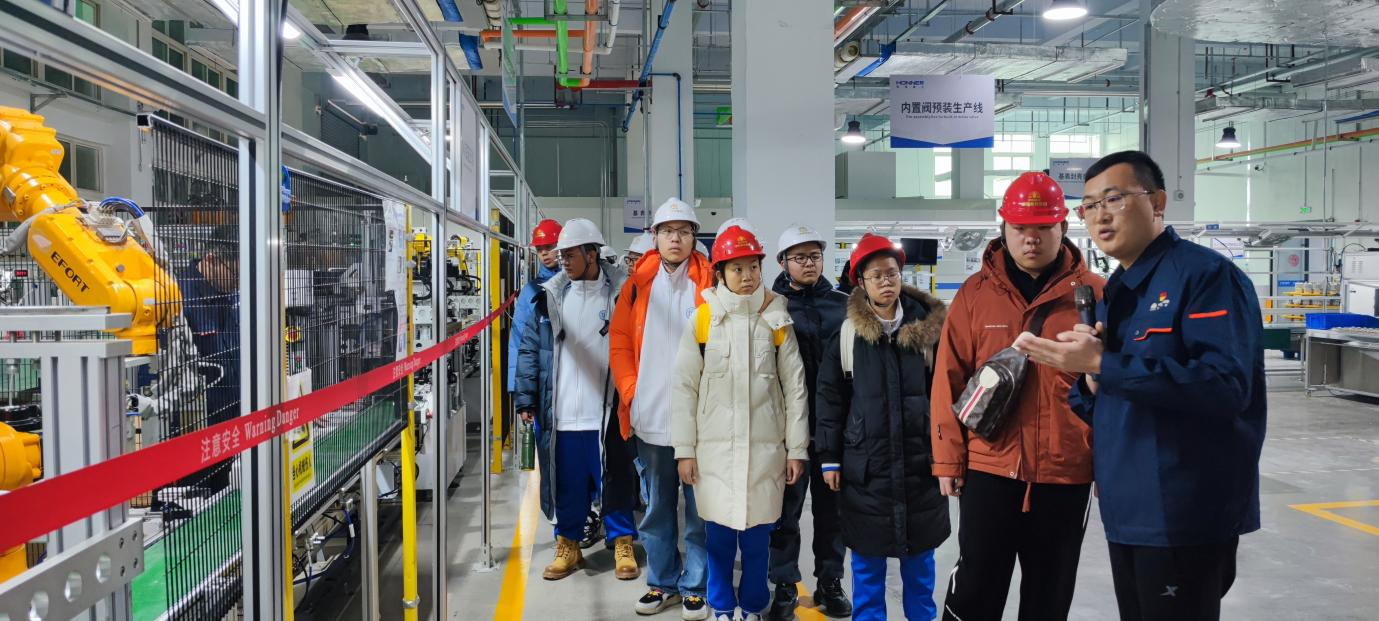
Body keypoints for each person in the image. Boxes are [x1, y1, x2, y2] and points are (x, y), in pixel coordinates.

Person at [1014, 151, 1265, 621]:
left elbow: (1226, 387)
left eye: (1114, 199)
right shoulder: (1118, 290)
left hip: (1183, 509)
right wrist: (1089, 382)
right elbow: (1114, 394)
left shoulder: (1205, 276)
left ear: (1158, 202)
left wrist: (1104, 365)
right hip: (1127, 507)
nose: (1100, 215)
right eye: (1090, 205)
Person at [930, 172, 1104, 621]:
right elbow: (948, 378)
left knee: (1050, 592)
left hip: (1065, 471)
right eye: (1020, 227)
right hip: (989, 467)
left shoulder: (1096, 294)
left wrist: (1109, 464)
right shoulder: (974, 295)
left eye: (1043, 227)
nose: (1031, 238)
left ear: (1063, 227)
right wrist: (948, 460)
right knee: (975, 589)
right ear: (1003, 227)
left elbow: (1114, 389)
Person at [670, 225, 810, 621]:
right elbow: (684, 389)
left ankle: (752, 606)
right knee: (717, 540)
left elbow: (795, 388)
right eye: (737, 269)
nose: (747, 276)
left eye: (753, 267)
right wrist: (684, 450)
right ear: (720, 273)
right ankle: (721, 607)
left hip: (765, 454)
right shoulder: (703, 320)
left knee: (756, 542)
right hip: (713, 455)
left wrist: (797, 449)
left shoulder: (777, 318)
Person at [815, 234, 950, 621]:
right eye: (875, 276)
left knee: (920, 569)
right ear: (861, 282)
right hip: (866, 471)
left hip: (920, 467)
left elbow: (946, 395)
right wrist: (829, 457)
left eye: (891, 273)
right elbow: (830, 399)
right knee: (867, 569)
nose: (885, 282)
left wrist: (950, 456)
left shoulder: (928, 331)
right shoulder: (847, 336)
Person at [515, 218, 641, 583]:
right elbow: (530, 349)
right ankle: (568, 544)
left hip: (607, 412)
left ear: (592, 254)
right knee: (567, 486)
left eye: (570, 255)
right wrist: (526, 399)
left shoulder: (620, 295)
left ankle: (622, 544)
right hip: (563, 413)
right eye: (561, 255)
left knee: (615, 480)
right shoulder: (550, 298)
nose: (563, 262)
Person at [610, 197, 717, 619]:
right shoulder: (637, 284)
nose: (676, 238)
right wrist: (631, 392)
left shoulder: (709, 284)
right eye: (668, 231)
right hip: (651, 415)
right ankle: (662, 582)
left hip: (699, 421)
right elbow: (619, 342)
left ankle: (696, 586)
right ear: (654, 236)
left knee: (699, 510)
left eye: (684, 231)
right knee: (656, 508)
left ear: (694, 236)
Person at [765, 224, 852, 620]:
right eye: (799, 257)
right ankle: (784, 584)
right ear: (783, 262)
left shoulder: (844, 304)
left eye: (814, 256)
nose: (808, 263)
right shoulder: (771, 307)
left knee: (832, 513)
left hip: (834, 429)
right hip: (787, 432)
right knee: (785, 513)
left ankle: (830, 582)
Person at [511, 219, 603, 544]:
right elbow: (523, 345)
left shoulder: (606, 290)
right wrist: (523, 396)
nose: (548, 254)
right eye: (542, 250)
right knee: (558, 466)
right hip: (552, 396)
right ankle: (566, 527)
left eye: (553, 248)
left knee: (598, 465)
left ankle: (598, 517)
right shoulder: (535, 293)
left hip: (593, 400)